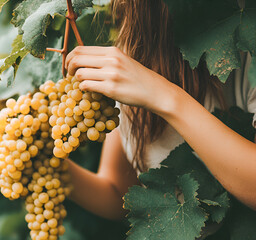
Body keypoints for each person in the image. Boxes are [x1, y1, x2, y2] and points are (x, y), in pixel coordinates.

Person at [63, 0, 256, 221]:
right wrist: (53, 166)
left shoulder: (247, 34)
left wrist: (165, 97)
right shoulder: (134, 48)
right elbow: (120, 193)